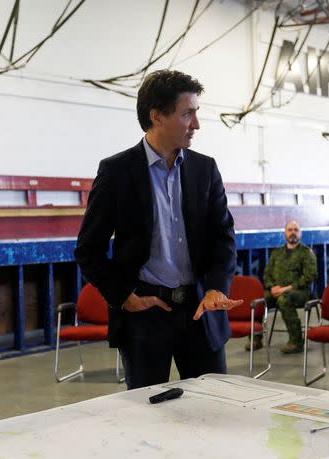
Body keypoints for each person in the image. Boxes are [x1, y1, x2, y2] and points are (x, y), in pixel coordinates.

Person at [74, 69, 240, 389]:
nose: (196, 124)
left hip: (200, 311)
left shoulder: (205, 170)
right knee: (147, 415)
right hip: (145, 317)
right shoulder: (117, 172)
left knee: (215, 406)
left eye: (196, 113)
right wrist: (123, 297)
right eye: (187, 113)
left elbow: (223, 237)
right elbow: (88, 249)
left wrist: (218, 286)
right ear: (157, 116)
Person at [252, 221, 317, 354]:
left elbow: (310, 276)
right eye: (290, 230)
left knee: (284, 300)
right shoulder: (276, 253)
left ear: (300, 233)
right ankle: (256, 339)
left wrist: (287, 288)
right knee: (258, 301)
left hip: (300, 292)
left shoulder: (306, 253)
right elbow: (267, 274)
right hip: (277, 291)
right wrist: (272, 287)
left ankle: (296, 341)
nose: (293, 232)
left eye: (296, 230)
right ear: (285, 233)